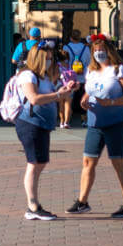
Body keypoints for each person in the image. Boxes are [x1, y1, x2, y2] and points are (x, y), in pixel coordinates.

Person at [71, 32, 123, 217]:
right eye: (95, 50)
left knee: (118, 162)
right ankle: (82, 202)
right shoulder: (91, 71)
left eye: (101, 49)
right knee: (88, 161)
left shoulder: (119, 70)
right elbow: (89, 91)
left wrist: (110, 102)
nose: (98, 53)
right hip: (94, 123)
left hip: (116, 122)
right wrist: (84, 100)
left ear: (109, 50)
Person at [10, 41, 73, 220]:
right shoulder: (27, 76)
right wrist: (59, 95)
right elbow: (34, 98)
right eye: (47, 58)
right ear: (37, 58)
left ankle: (34, 204)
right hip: (30, 123)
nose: (50, 61)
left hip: (43, 124)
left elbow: (49, 96)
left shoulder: (44, 76)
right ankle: (32, 206)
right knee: (34, 163)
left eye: (51, 58)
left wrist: (64, 90)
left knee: (40, 162)